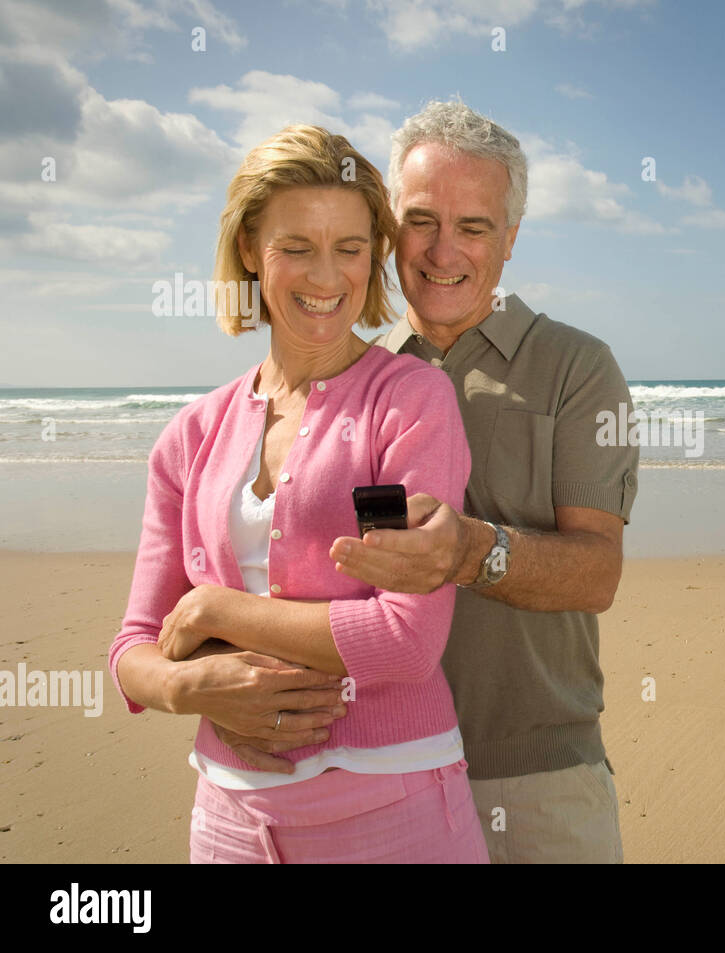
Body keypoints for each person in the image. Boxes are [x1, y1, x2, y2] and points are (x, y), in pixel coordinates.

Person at [215, 101, 640, 863]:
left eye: (474, 226)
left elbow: (598, 570)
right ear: (388, 229)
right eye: (421, 221)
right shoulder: (348, 375)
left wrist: (469, 550)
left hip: (535, 776)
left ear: (509, 240)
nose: (445, 251)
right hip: (374, 775)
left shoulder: (579, 368)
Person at [108, 124, 487, 864]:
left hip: (393, 807)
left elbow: (407, 639)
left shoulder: (408, 402)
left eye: (350, 248)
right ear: (250, 248)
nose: (327, 277)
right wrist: (196, 687)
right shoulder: (191, 434)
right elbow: (134, 647)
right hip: (226, 821)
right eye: (296, 247)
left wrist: (216, 610)